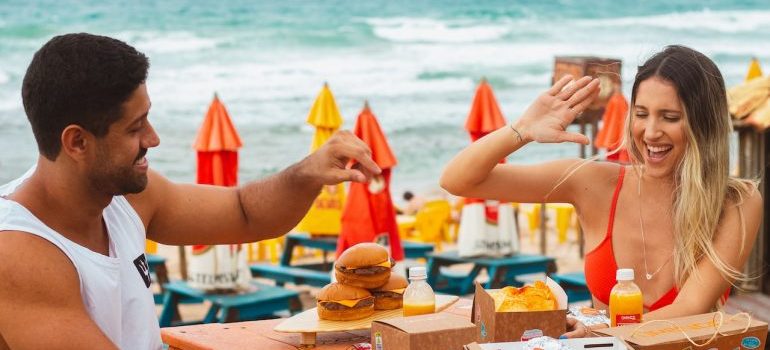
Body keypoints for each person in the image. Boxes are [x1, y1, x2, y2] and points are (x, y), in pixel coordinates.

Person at [0, 33, 380, 349]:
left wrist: (307, 173)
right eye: (136, 128)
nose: (154, 138)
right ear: (77, 143)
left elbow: (245, 213)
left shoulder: (126, 198)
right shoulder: (18, 253)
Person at [441, 45, 762, 336]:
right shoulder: (593, 182)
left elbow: (690, 308)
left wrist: (597, 335)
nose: (650, 132)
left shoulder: (737, 201)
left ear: (704, 123)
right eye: (640, 114)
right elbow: (458, 181)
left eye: (670, 117)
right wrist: (521, 131)